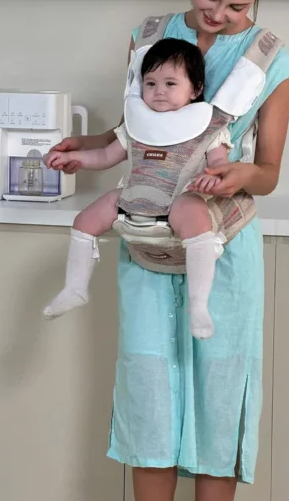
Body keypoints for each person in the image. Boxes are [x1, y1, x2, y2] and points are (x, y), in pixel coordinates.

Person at [48, 0, 289, 501]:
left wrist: (239, 174)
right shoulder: (149, 37)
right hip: (146, 245)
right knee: (149, 397)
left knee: (218, 398)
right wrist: (87, 145)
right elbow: (140, 128)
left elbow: (268, 172)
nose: (219, 14)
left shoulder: (271, 60)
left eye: (238, 5)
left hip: (221, 248)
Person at [43, 37, 232, 339]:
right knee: (84, 220)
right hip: (134, 196)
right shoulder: (136, 124)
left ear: (195, 89)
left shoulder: (207, 127)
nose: (159, 91)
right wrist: (74, 158)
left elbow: (221, 165)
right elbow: (106, 156)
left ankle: (198, 305)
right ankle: (75, 287)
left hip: (180, 199)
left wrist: (213, 178)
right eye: (150, 83)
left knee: (194, 211)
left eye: (170, 84)